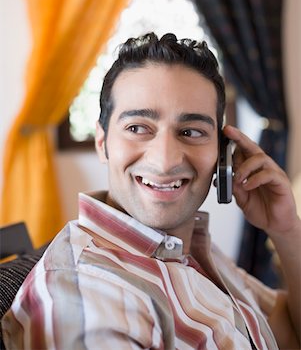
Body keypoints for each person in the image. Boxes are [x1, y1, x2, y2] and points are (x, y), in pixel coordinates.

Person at [2, 33, 300, 349]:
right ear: (102, 143)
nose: (165, 160)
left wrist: (286, 230)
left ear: (223, 154)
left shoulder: (193, 248)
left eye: (191, 132)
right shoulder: (90, 297)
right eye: (138, 128)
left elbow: (289, 333)